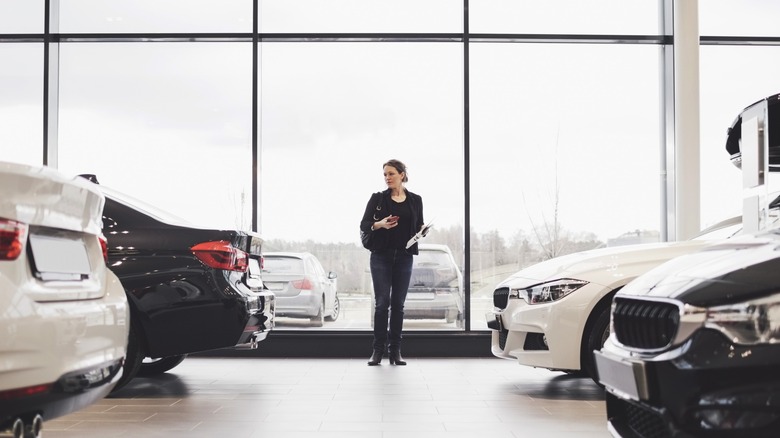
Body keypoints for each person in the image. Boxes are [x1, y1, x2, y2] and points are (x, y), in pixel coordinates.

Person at [360, 159, 424, 366]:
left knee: (398, 305)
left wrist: (422, 231)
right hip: (381, 256)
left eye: (391, 174)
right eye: (385, 175)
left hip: (404, 257)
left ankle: (395, 350)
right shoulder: (378, 199)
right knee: (382, 304)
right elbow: (364, 224)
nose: (387, 178)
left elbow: (418, 225)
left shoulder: (415, 200)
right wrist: (380, 224)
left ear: (402, 175)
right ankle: (377, 351)